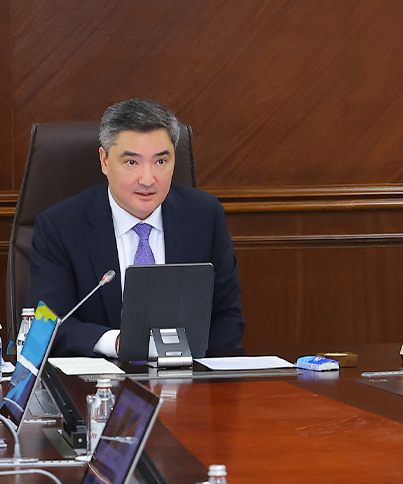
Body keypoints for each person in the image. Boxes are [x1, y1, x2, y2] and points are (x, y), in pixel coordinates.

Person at [31, 98, 244, 357]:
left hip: (189, 375)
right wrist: (120, 344)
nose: (147, 179)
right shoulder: (61, 226)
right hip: (99, 376)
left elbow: (227, 317)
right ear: (105, 161)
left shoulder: (205, 216)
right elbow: (52, 324)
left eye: (160, 162)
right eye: (132, 162)